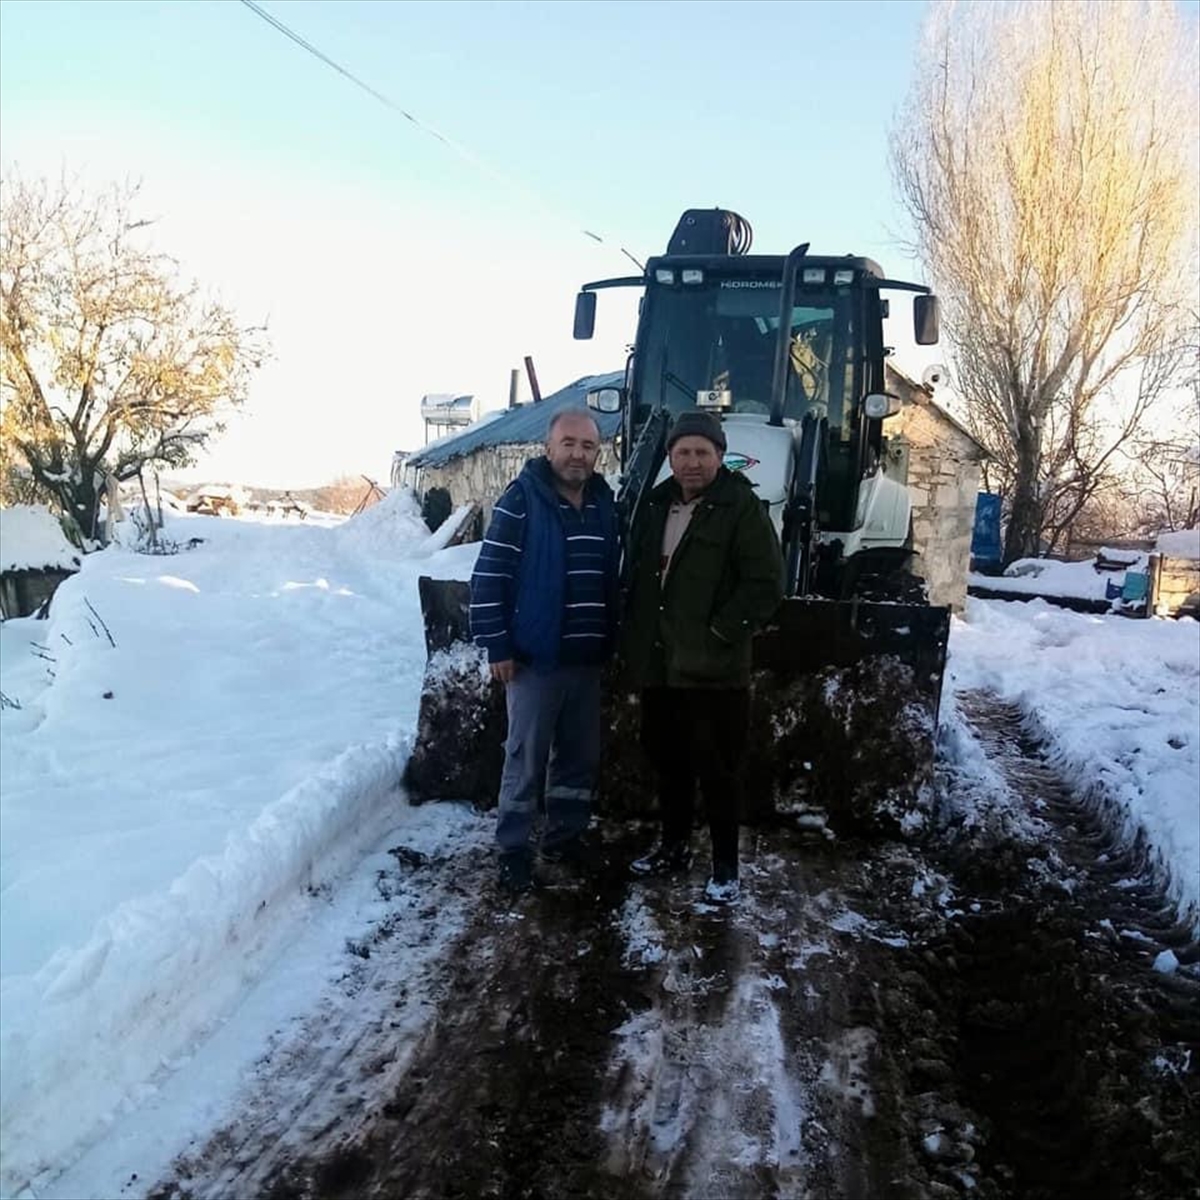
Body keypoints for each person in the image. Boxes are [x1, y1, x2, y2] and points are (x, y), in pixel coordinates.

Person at [621, 409, 784, 902]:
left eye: (702, 452)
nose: (692, 462)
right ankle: (673, 846)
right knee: (668, 762)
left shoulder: (741, 508)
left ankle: (725, 866)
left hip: (715, 671)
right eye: (683, 452)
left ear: (720, 455)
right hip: (661, 666)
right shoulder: (654, 506)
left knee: (718, 769)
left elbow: (765, 583)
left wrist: (719, 632)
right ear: (669, 456)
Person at [469, 408, 620, 894]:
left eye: (588, 447)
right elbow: (489, 575)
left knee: (578, 758)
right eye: (569, 444)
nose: (578, 454)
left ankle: (565, 837)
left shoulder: (603, 504)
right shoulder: (522, 501)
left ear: (598, 454)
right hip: (535, 659)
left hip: (586, 659)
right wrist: (498, 644)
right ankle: (513, 848)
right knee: (525, 758)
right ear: (549, 448)